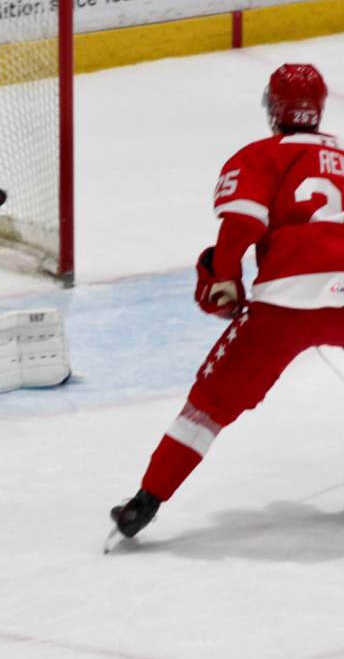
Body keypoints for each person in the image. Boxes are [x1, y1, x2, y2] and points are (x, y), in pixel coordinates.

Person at [109, 63, 344, 545]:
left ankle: (146, 500)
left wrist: (225, 279)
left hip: (284, 303)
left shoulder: (259, 155)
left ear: (272, 108)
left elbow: (241, 226)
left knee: (210, 406)